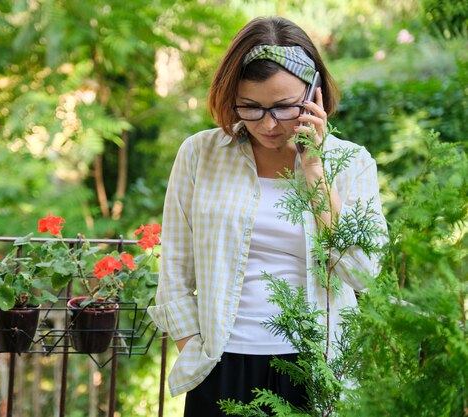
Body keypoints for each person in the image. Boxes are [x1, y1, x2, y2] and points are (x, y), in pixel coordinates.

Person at [147, 16, 388, 416]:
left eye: (284, 106)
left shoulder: (351, 163)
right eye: (251, 108)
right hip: (220, 363)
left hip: (318, 363)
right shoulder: (199, 154)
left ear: (316, 95)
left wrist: (314, 170)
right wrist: (194, 347)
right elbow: (174, 268)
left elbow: (362, 273)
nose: (269, 124)